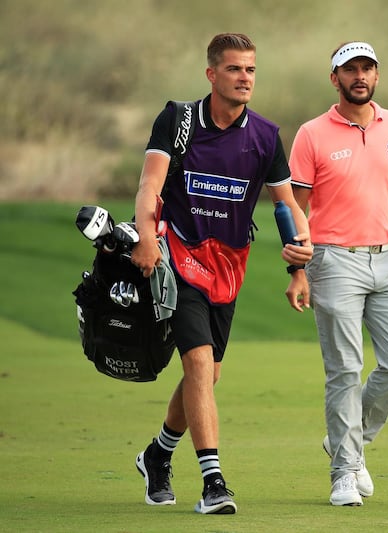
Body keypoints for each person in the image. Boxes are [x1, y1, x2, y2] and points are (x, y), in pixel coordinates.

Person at [130, 33, 312, 515]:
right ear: (212, 74)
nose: (245, 78)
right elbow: (150, 182)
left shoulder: (266, 137)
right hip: (177, 256)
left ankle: (158, 454)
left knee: (208, 375)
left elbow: (287, 205)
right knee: (196, 363)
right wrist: (147, 237)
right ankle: (213, 482)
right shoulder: (179, 119)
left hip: (228, 266)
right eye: (235, 69)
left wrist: (300, 260)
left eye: (251, 70)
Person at [286, 41, 388, 506]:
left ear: (376, 75)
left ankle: (347, 440)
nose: (359, 76)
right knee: (345, 370)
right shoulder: (312, 133)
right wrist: (298, 267)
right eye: (350, 69)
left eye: (367, 68)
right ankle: (344, 472)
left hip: (387, 258)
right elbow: (293, 205)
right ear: (334, 78)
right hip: (332, 261)